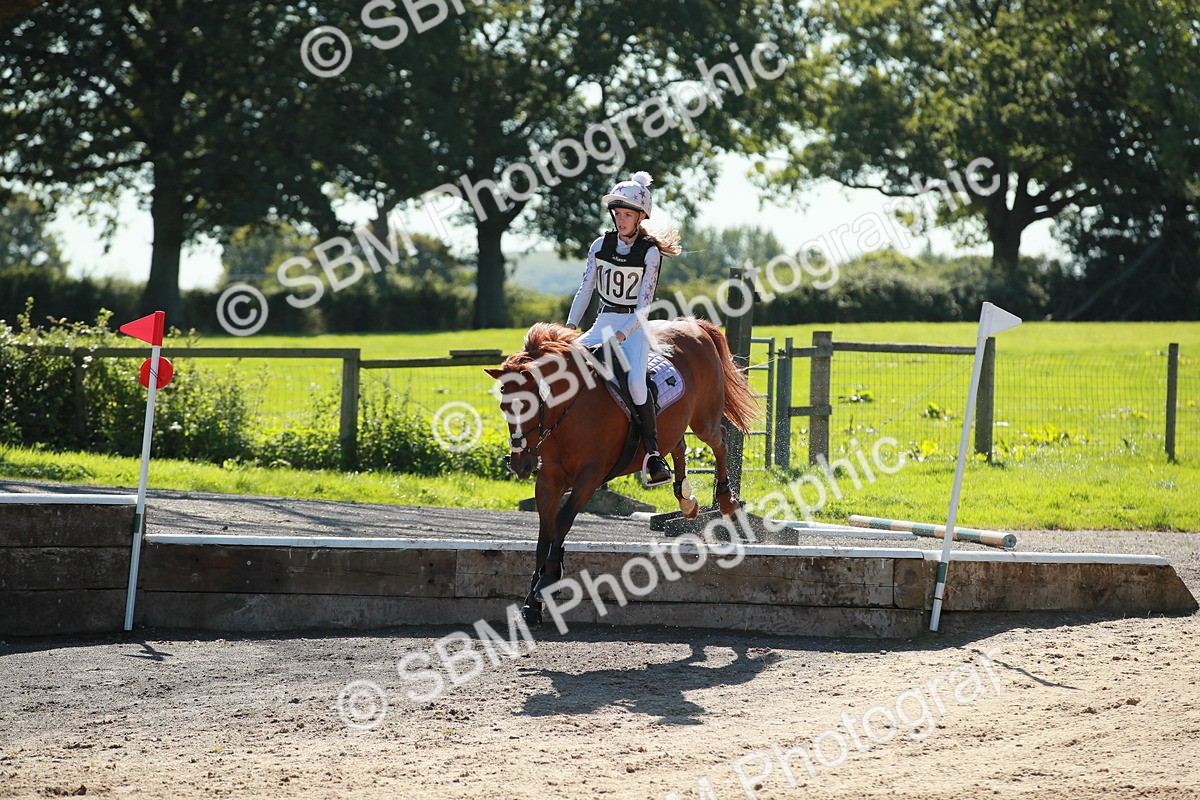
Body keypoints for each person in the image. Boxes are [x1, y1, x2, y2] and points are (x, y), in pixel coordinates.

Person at [565, 171, 681, 487]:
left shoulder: (650, 252)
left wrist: (622, 335)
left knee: (635, 384)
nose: (621, 219)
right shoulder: (600, 245)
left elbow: (643, 307)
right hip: (603, 321)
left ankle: (654, 456)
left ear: (641, 217)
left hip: (635, 327)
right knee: (569, 367)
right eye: (618, 213)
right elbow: (585, 288)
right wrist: (571, 327)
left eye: (627, 214)